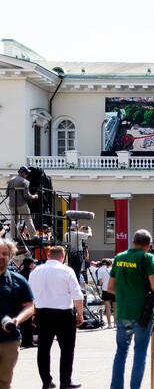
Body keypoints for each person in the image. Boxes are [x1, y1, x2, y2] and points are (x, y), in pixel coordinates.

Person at [108, 230, 154, 389]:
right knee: (139, 353)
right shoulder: (147, 258)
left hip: (123, 311)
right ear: (149, 245)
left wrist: (125, 293)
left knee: (121, 352)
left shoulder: (119, 257)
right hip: (142, 313)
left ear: (133, 241)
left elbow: (110, 287)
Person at [28, 246, 83, 389]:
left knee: (43, 349)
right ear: (62, 256)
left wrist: (34, 313)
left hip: (43, 313)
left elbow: (30, 296)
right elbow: (77, 295)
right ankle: (65, 381)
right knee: (67, 349)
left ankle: (46, 381)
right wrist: (80, 314)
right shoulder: (67, 270)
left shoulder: (36, 271)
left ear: (48, 255)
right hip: (64, 314)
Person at [0, 239, 35, 389]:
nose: (1, 256)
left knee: (4, 382)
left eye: (5, 253)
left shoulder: (18, 280)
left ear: (10, 256)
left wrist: (17, 319)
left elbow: (30, 306)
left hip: (9, 339)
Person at [5, 166, 38, 238]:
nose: (27, 175)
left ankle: (13, 236)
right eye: (27, 173)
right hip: (21, 204)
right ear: (23, 173)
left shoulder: (11, 180)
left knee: (14, 221)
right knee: (28, 219)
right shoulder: (24, 181)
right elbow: (26, 195)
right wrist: (34, 196)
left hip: (12, 204)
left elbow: (7, 192)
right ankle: (33, 235)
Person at [98, 259, 116, 328]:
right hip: (114, 289)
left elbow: (100, 282)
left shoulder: (101, 271)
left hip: (105, 290)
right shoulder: (114, 270)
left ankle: (109, 324)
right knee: (115, 307)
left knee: (108, 308)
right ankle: (115, 323)